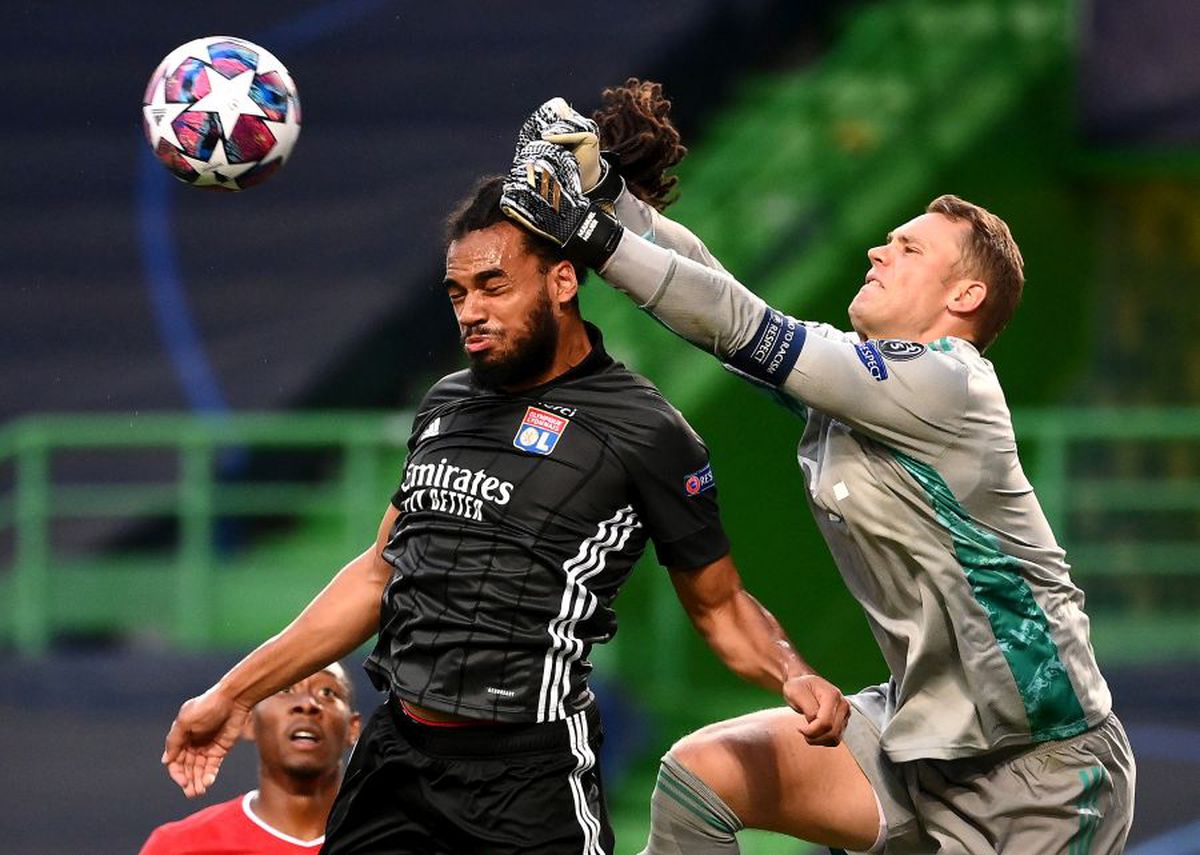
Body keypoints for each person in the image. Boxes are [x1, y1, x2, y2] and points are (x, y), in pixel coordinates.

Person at [160, 93, 848, 854]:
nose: (470, 312)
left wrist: (792, 673)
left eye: (493, 286)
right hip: (397, 761)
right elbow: (378, 574)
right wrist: (229, 694)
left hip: (530, 780)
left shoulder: (646, 431)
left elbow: (719, 605)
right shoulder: (446, 404)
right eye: (458, 293)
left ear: (561, 280)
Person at [502, 91, 1137, 855]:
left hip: (1040, 772)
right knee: (703, 776)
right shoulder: (863, 388)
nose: (878, 250)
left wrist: (591, 234)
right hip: (916, 742)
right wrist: (609, 195)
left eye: (909, 249)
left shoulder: (950, 385)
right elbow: (728, 302)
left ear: (964, 296)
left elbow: (741, 324)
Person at [141, 662, 360, 854]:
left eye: (327, 692)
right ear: (247, 722)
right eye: (285, 689)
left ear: (353, 729)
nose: (306, 704)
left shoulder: (391, 837)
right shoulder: (178, 847)